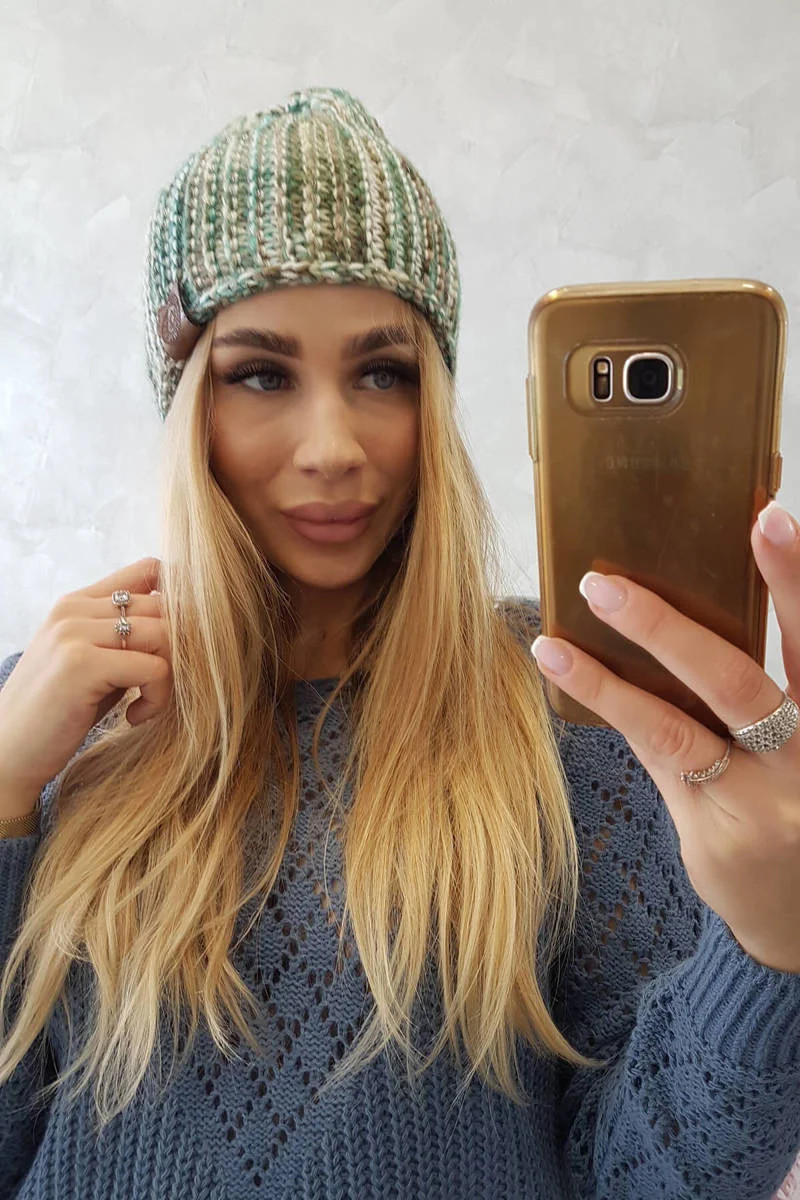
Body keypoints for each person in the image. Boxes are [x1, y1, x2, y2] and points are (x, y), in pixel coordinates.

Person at [0, 86, 798, 1200]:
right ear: (187, 408)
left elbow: (636, 1178)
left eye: (383, 373)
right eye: (260, 373)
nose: (332, 446)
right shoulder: (50, 716)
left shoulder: (566, 714)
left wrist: (771, 943)